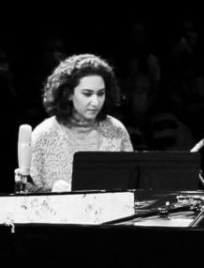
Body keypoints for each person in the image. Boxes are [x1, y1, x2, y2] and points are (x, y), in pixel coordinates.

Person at [22, 54, 133, 192]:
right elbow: (27, 192)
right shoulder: (43, 134)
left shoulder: (116, 130)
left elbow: (131, 186)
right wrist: (51, 192)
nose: (96, 102)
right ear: (68, 93)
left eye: (100, 93)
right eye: (87, 94)